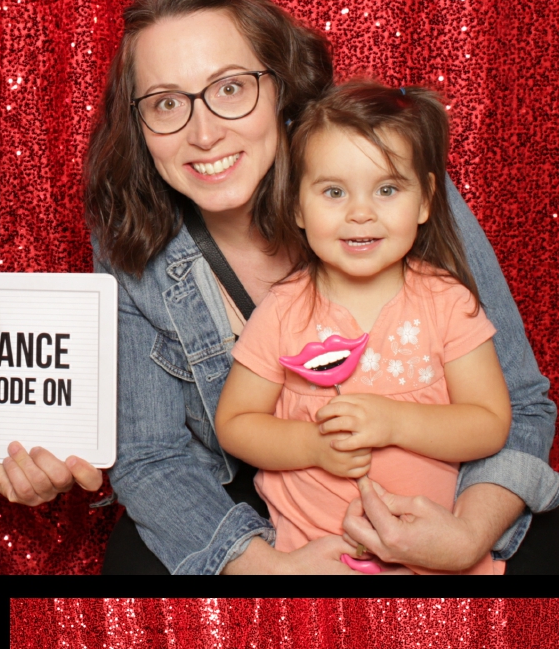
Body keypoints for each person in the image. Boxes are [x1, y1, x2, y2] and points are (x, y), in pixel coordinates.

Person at [0, 0, 559, 574]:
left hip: (441, 482)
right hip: (259, 491)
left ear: (282, 86)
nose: (205, 134)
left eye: (231, 88)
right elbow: (152, 457)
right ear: (138, 124)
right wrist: (271, 567)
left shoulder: (382, 175)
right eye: (167, 103)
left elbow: (519, 404)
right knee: (133, 562)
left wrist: (465, 537)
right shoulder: (132, 233)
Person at [216, 81, 512, 574]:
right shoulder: (283, 310)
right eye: (334, 192)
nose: (360, 213)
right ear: (297, 206)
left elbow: (490, 424)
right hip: (315, 557)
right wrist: (311, 447)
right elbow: (235, 423)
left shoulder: (447, 303)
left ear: (425, 200)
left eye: (387, 189)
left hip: (430, 558)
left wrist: (395, 422)